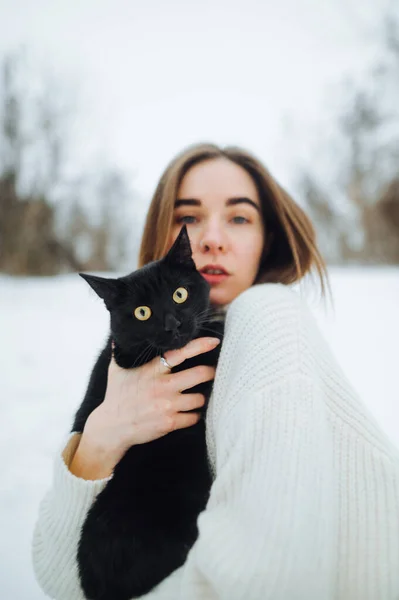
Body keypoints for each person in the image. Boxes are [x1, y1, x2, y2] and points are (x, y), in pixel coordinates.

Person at [32, 143, 399, 600]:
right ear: (162, 229)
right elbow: (59, 576)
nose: (210, 239)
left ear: (270, 239)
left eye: (239, 218)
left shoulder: (269, 315)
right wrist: (101, 440)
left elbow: (263, 579)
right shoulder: (135, 364)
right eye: (188, 217)